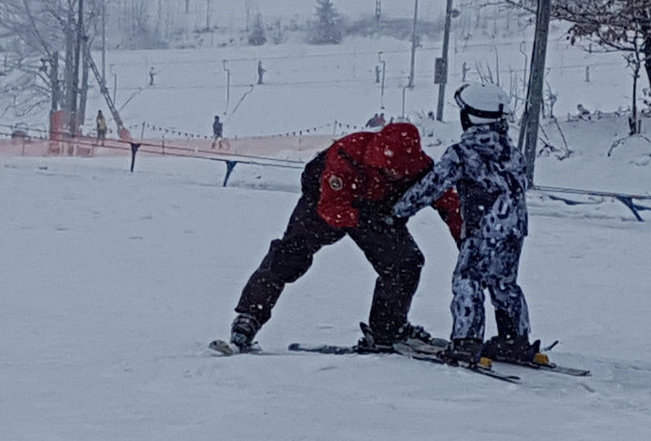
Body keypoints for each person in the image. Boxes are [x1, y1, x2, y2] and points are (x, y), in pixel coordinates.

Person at [228, 121, 463, 352]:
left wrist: (467, 242)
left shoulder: (421, 168)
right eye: (387, 168)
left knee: (406, 262)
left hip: (377, 212)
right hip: (323, 204)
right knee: (288, 256)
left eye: (398, 171)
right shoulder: (347, 154)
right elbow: (331, 208)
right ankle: (249, 317)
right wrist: (363, 220)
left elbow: (450, 205)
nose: (393, 174)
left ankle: (387, 330)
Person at [392, 82, 539, 366]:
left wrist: (399, 210)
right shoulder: (512, 152)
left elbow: (431, 187)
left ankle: (466, 341)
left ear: (470, 117)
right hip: (515, 228)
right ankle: (515, 339)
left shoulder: (462, 153)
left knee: (467, 280)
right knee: (504, 283)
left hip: (484, 227)